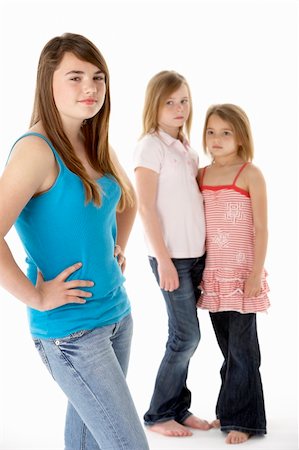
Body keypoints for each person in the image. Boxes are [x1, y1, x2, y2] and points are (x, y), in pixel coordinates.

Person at [0, 33, 149, 450]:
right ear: (48, 83)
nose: (91, 88)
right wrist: (36, 296)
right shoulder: (35, 151)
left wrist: (117, 247)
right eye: (76, 77)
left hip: (118, 316)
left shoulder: (92, 139)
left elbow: (127, 199)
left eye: (98, 77)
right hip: (72, 333)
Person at [133, 70, 210, 437]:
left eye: (184, 100)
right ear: (155, 105)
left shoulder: (187, 148)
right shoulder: (150, 146)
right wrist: (163, 260)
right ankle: (159, 414)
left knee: (184, 335)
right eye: (170, 101)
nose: (180, 107)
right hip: (172, 257)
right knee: (186, 336)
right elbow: (146, 207)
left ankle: (179, 407)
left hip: (195, 255)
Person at [197, 104, 270, 444]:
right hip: (214, 277)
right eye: (211, 131)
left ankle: (244, 420)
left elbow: (261, 227)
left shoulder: (250, 173)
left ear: (241, 136)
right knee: (230, 351)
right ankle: (230, 411)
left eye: (226, 132)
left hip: (242, 276)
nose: (217, 139)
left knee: (244, 352)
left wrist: (255, 273)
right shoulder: (201, 174)